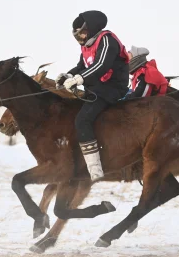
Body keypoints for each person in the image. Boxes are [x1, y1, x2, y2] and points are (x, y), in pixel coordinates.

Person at [55, 10, 130, 181]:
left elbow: (101, 65)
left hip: (111, 87)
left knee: (82, 120)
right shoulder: (87, 46)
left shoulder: (106, 40)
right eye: (77, 34)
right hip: (96, 88)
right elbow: (82, 66)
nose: (79, 36)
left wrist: (79, 79)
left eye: (82, 32)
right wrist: (68, 75)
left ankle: (95, 171)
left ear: (92, 27)